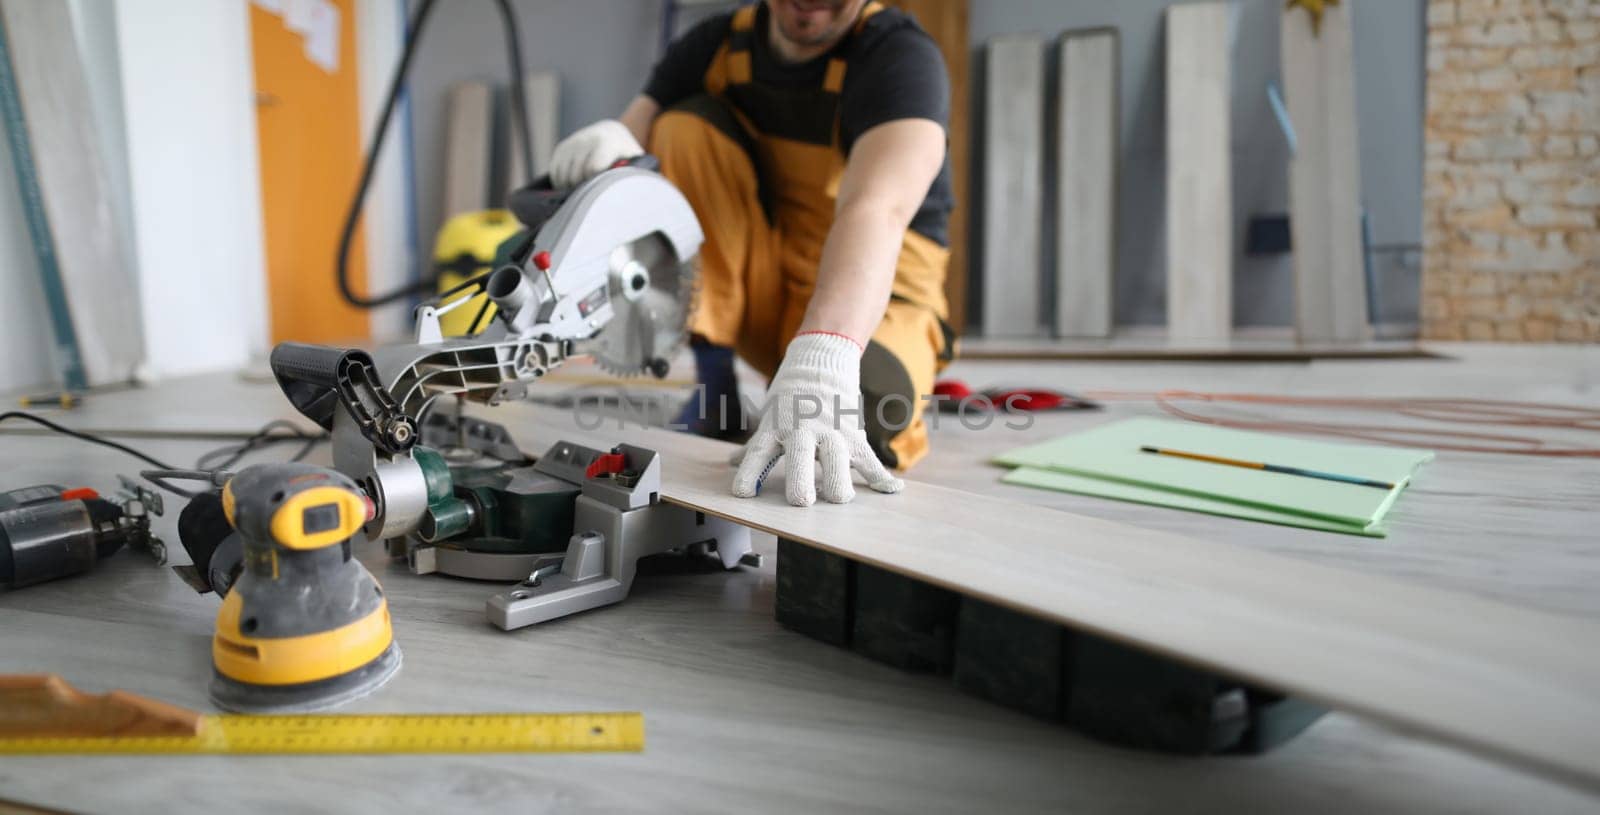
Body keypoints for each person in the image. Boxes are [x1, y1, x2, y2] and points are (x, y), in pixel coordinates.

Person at [550, 0, 953, 508]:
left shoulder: (899, 56)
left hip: (874, 296)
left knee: (862, 429)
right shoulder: (716, 44)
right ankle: (715, 391)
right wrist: (609, 146)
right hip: (765, 282)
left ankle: (814, 373)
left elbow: (877, 210)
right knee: (681, 127)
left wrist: (824, 356)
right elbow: (633, 139)